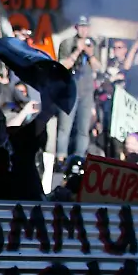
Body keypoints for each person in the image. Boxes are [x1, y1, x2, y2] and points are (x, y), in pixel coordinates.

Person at [55, 16, 101, 167]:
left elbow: (98, 68)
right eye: (81, 27)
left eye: (86, 27)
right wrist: (76, 52)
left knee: (83, 128)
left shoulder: (93, 44)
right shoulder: (67, 43)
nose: (84, 30)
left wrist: (90, 54)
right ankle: (61, 159)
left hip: (86, 93)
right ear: (76, 27)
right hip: (69, 91)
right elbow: (62, 66)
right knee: (64, 127)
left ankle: (79, 159)